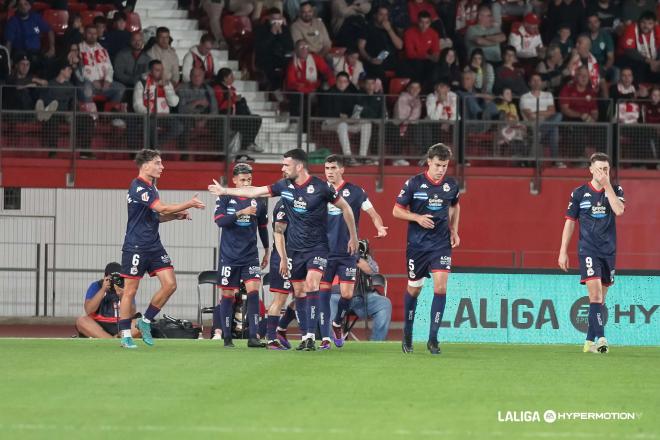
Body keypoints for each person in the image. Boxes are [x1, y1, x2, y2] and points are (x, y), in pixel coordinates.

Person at [208, 148, 359, 351]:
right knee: (298, 292)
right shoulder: (284, 186)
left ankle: (311, 336)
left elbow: (346, 208)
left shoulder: (321, 187)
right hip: (294, 250)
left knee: (312, 283)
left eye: (286, 165)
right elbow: (255, 191)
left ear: (299, 166)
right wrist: (225, 191)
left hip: (317, 247)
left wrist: (354, 236)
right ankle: (295, 333)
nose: (282, 168)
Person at [119, 148, 206, 349]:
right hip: (136, 246)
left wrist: (177, 215)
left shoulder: (152, 187)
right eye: (158, 163)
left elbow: (157, 216)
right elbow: (161, 208)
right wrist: (190, 203)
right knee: (130, 291)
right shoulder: (138, 186)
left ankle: (145, 321)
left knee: (170, 284)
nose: (162, 166)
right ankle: (125, 335)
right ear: (145, 165)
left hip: (154, 245)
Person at [392, 143, 460, 355]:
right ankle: (408, 332)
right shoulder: (413, 183)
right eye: (438, 165)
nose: (441, 169)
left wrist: (454, 230)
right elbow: (396, 211)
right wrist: (417, 218)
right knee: (415, 289)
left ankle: (433, 339)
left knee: (440, 288)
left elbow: (455, 206)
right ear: (429, 162)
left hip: (440, 245)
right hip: (418, 246)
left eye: (445, 165)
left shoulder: (451, 185)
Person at [558, 152, 625, 354]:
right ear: (590, 170)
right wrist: (563, 251)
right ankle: (602, 339)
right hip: (588, 249)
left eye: (606, 169)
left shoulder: (616, 189)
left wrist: (607, 187)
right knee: (594, 295)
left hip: (608, 251)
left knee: (600, 299)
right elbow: (570, 223)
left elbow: (619, 210)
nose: (603, 172)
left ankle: (588, 342)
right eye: (599, 169)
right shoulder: (579, 193)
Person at [318, 155, 388, 349]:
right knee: (323, 294)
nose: (329, 171)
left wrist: (380, 228)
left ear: (342, 170)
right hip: (324, 252)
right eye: (326, 168)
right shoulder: (319, 191)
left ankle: (337, 323)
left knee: (346, 294)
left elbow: (374, 214)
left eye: (333, 168)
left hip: (348, 252)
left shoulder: (356, 192)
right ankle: (325, 338)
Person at [212, 163, 270, 347]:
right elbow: (220, 221)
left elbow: (262, 227)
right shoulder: (225, 197)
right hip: (229, 255)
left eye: (249, 179)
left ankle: (253, 337)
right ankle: (227, 337)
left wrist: (267, 249)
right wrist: (241, 213)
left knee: (253, 292)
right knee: (228, 295)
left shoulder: (258, 201)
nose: (246, 183)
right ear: (235, 181)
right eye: (243, 180)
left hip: (250, 255)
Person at [328, 244, 392, 341]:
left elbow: (373, 270)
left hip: (362, 296)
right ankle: (333, 341)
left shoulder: (361, 253)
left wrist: (356, 258)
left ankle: (376, 343)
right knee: (328, 300)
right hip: (338, 296)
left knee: (385, 303)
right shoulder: (332, 252)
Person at [76, 262, 139, 338]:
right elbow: (88, 310)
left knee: (140, 323)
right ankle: (111, 339)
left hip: (121, 325)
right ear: (105, 277)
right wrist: (103, 290)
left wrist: (122, 296)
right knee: (81, 321)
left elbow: (131, 313)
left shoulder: (124, 287)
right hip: (99, 326)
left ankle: (111, 338)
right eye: (112, 278)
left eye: (117, 278)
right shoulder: (96, 286)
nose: (114, 281)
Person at [320, 72, 371, 164]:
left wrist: (355, 115)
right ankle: (347, 156)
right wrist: (339, 115)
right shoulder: (329, 93)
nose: (342, 83)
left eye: (344, 81)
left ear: (348, 83)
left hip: (347, 123)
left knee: (366, 123)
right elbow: (324, 112)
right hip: (329, 123)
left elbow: (354, 110)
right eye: (340, 81)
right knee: (342, 125)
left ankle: (362, 157)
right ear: (336, 81)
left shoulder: (351, 94)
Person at [133, 60, 182, 147]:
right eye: (157, 70)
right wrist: (149, 113)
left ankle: (156, 146)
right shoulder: (142, 83)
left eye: (161, 70)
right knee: (152, 124)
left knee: (178, 127)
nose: (160, 73)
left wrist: (166, 87)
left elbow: (174, 103)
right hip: (148, 116)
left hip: (164, 117)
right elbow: (137, 105)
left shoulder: (167, 84)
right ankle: (154, 149)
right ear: (150, 71)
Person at [519, 73, 564, 167]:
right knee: (554, 128)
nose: (536, 82)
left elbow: (552, 112)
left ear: (541, 82)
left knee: (558, 116)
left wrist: (536, 113)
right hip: (532, 125)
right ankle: (555, 161)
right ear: (529, 83)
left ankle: (538, 134)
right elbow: (529, 115)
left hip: (545, 124)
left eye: (538, 80)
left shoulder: (548, 95)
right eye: (534, 80)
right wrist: (544, 112)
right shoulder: (524, 97)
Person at [213, 67, 263, 153]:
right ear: (225, 78)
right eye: (231, 76)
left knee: (256, 119)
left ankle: (249, 143)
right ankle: (246, 146)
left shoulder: (232, 89)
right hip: (225, 118)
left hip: (235, 115)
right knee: (245, 123)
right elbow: (220, 106)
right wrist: (233, 99)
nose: (233, 78)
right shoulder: (218, 89)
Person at [284, 39, 335, 118]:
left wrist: (332, 84)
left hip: (314, 87)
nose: (304, 49)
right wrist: (307, 88)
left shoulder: (316, 58)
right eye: (301, 47)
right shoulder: (292, 64)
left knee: (326, 95)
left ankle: (323, 122)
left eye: (306, 47)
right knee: (296, 98)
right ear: (296, 50)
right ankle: (296, 123)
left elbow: (327, 71)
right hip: (300, 90)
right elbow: (291, 83)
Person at [79, 25, 126, 106]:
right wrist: (93, 80)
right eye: (89, 33)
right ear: (84, 34)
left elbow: (110, 68)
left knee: (121, 88)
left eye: (95, 33)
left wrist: (108, 81)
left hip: (103, 83)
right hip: (88, 83)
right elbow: (79, 70)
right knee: (87, 87)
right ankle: (90, 117)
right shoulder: (79, 48)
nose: (92, 35)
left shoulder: (102, 50)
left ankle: (108, 114)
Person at [357, 5, 404, 82]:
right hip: (373, 59)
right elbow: (361, 47)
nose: (384, 17)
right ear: (375, 15)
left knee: (405, 68)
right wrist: (370, 59)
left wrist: (389, 30)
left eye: (386, 15)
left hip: (390, 59)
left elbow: (400, 46)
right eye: (381, 14)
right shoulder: (367, 27)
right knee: (377, 70)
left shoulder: (391, 27)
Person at [254, 7, 294, 91]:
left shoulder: (284, 29)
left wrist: (282, 33)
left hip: (280, 56)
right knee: (270, 67)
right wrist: (271, 34)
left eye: (278, 19)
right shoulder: (261, 28)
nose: (276, 23)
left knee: (290, 64)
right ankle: (273, 88)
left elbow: (290, 46)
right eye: (274, 20)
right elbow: (260, 47)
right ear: (269, 19)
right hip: (266, 56)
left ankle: (288, 89)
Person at [618, 11, 660, 84]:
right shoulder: (632, 28)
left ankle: (655, 89)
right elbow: (629, 51)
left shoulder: (657, 29)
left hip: (649, 59)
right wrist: (651, 61)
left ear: (654, 24)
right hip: (625, 58)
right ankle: (638, 88)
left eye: (650, 23)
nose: (646, 26)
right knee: (640, 63)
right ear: (639, 22)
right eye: (643, 23)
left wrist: (658, 62)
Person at [403, 10, 440, 84]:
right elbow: (410, 54)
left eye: (427, 23)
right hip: (411, 61)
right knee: (418, 65)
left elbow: (436, 52)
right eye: (421, 22)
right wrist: (427, 56)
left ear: (430, 23)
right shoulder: (409, 33)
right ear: (418, 22)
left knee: (435, 66)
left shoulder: (433, 33)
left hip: (425, 60)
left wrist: (434, 57)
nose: (424, 25)